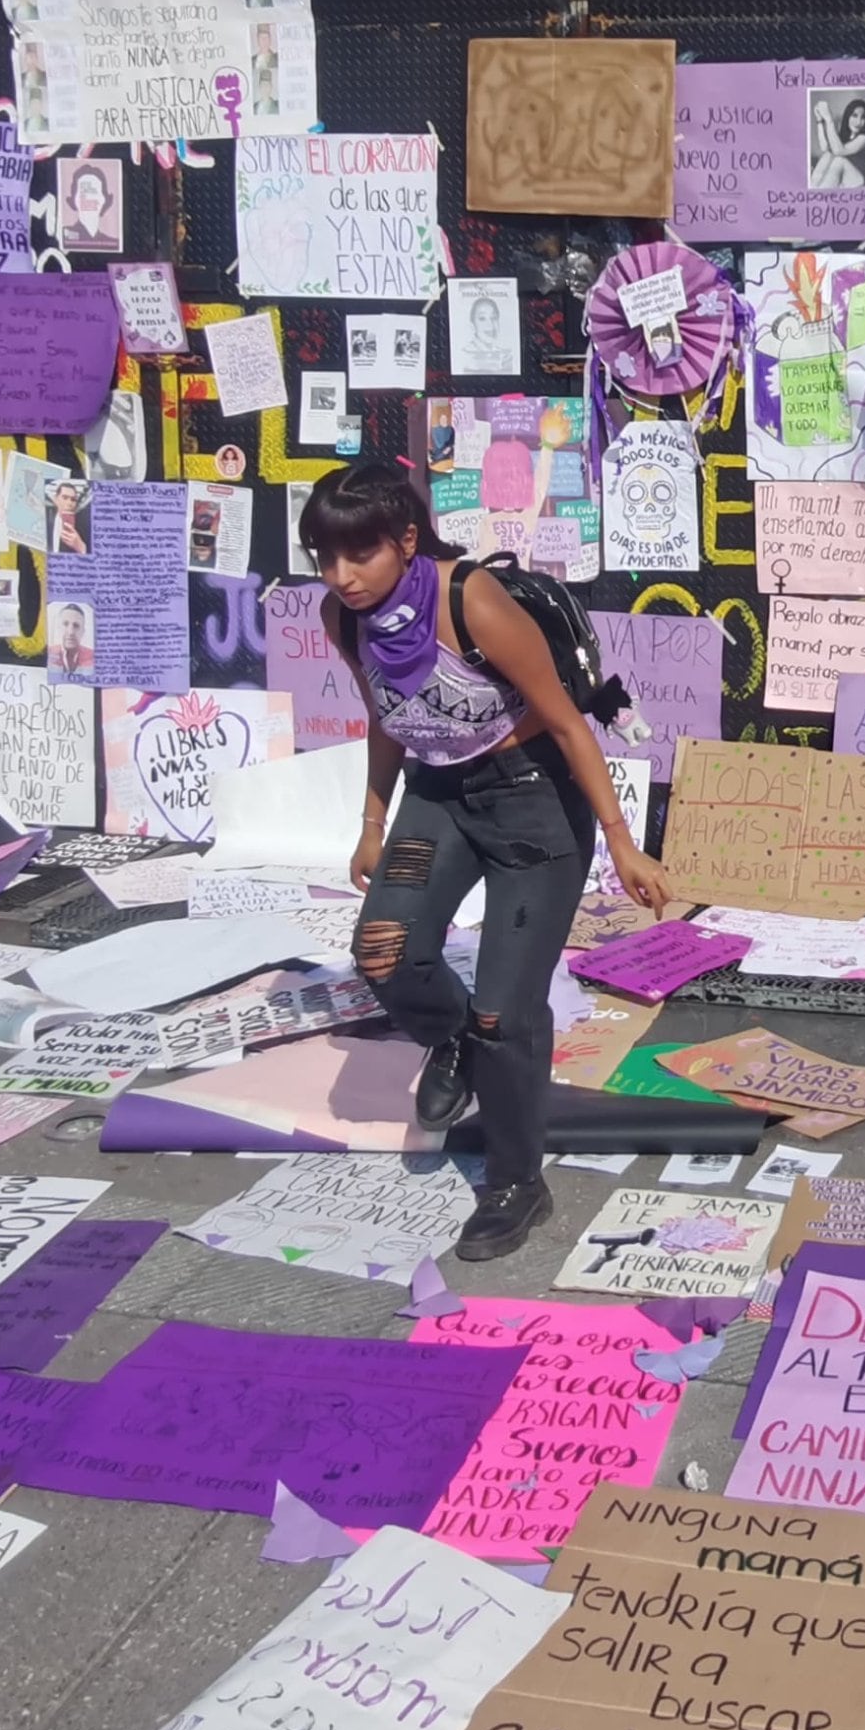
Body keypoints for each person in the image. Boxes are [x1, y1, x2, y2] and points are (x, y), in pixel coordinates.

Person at [306, 459, 674, 1261]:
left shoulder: (469, 599)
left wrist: (620, 840)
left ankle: (516, 1182)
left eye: (359, 556)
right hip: (436, 792)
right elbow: (386, 716)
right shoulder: (345, 616)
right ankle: (454, 1041)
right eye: (325, 561)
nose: (343, 577)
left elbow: (571, 724)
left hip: (532, 801)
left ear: (406, 540)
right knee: (384, 950)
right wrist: (372, 820)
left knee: (507, 1010)